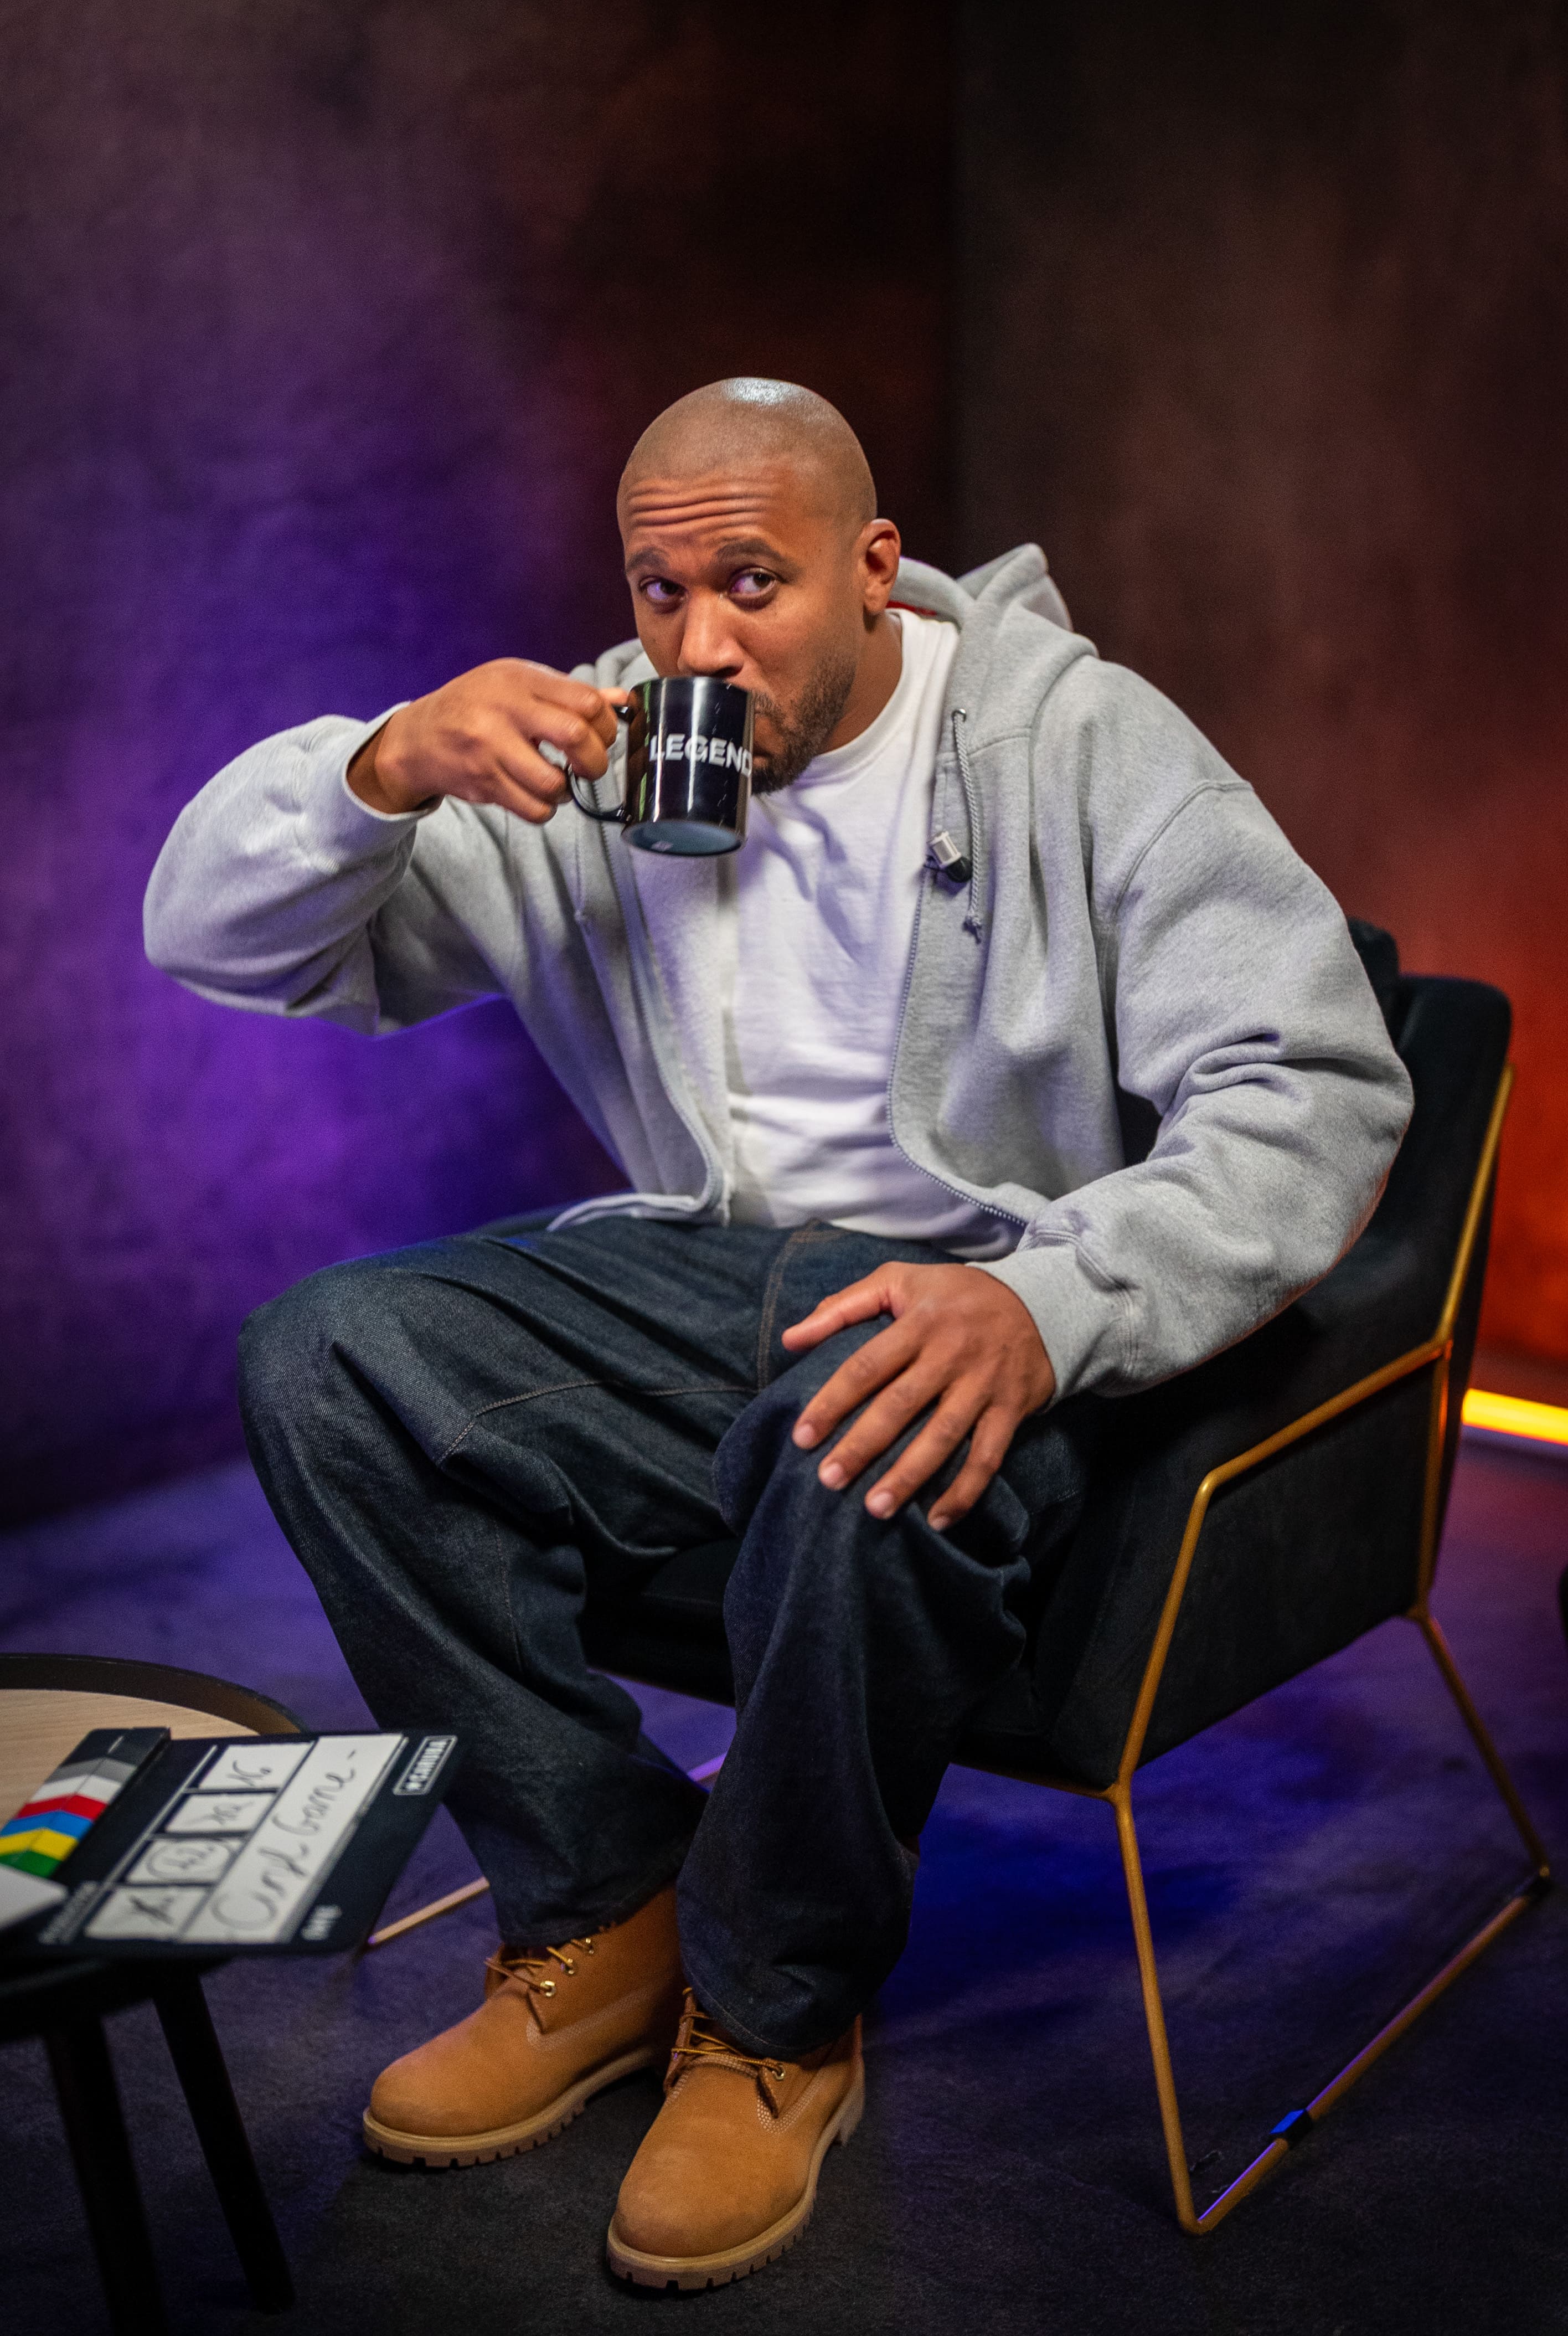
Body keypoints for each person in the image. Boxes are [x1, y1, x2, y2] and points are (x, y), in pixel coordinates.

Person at [144, 378, 1412, 2289]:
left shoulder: (1074, 741)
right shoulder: (600, 751)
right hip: (710, 1289)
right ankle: (602, 1905)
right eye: (661, 591)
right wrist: (379, 769)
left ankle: (776, 2005)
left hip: (997, 1303)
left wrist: (1050, 1294)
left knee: (862, 1413)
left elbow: (1313, 1079)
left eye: (755, 580)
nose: (700, 643)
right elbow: (214, 944)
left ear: (878, 568)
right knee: (327, 1356)